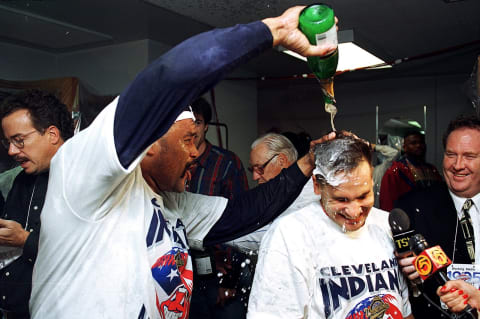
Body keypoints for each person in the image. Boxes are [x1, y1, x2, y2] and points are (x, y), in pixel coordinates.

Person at [29, 6, 338, 319]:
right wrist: (273, 31)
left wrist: (307, 163)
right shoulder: (84, 173)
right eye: (188, 140)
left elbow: (244, 212)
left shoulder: (171, 203)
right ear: (149, 144)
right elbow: (172, 75)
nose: (196, 152)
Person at [248, 133, 413, 319]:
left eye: (363, 196)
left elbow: (403, 310)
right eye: (341, 199)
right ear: (317, 185)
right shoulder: (290, 234)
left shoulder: (386, 224)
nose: (353, 212)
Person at [396, 114, 480, 318]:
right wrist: (407, 274)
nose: (458, 165)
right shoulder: (412, 208)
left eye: (469, 156)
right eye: (451, 154)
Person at [0, 89, 73, 319]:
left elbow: (82, 255)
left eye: (19, 140)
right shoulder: (20, 180)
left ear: (52, 134)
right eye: (8, 142)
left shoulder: (82, 182)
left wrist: (25, 240)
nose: (12, 151)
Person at [187, 97, 250, 319]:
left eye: (198, 121)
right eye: (187, 121)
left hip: (219, 272)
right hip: (183, 272)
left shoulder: (225, 163)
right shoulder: (174, 163)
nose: (192, 128)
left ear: (206, 126)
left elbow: (241, 221)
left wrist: (230, 281)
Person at [228, 133, 321, 253]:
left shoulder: (307, 192)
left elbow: (268, 234)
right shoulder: (274, 195)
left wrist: (208, 231)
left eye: (260, 168)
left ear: (282, 161)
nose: (255, 177)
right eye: (252, 170)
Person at [380, 130, 442, 212]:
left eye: (421, 142)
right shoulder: (395, 172)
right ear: (404, 147)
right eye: (413, 143)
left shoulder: (432, 169)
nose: (418, 145)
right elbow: (386, 204)